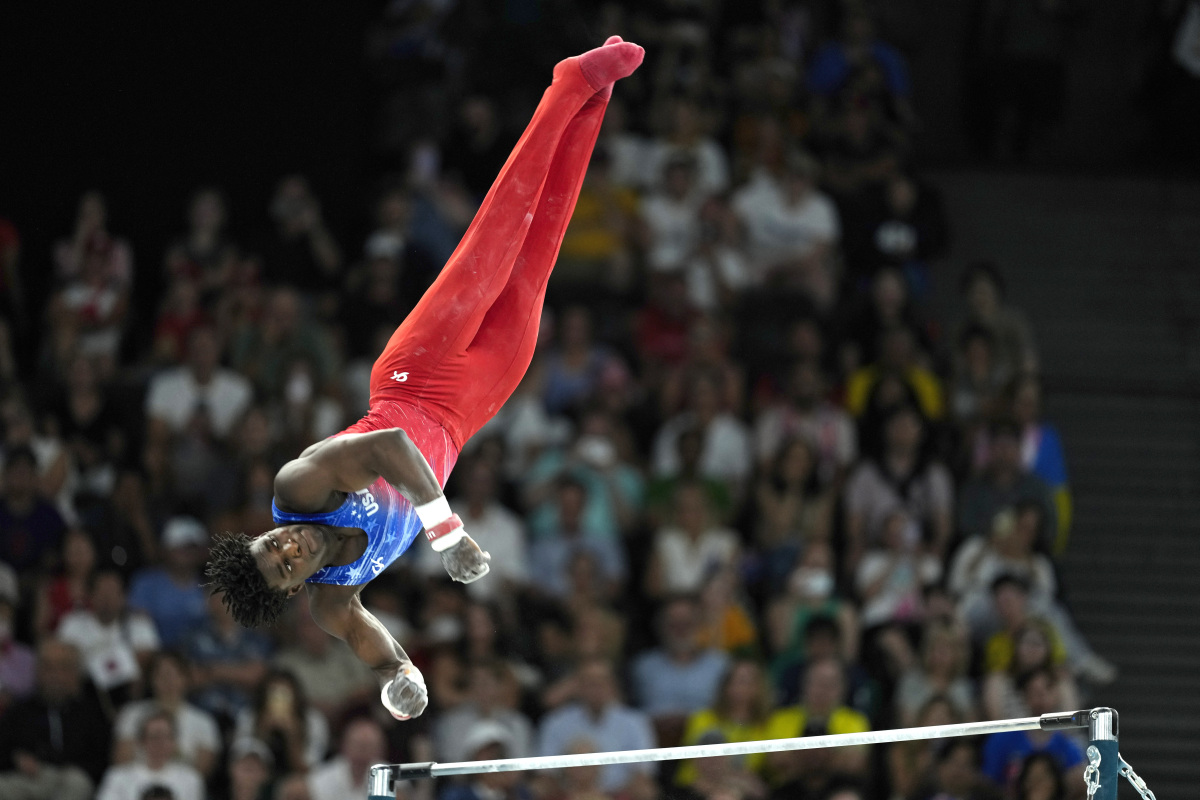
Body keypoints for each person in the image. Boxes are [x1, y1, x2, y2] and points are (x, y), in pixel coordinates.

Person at [205, 38, 645, 725]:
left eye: (273, 545)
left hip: (416, 377)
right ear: (295, 589)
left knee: (503, 228)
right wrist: (399, 675)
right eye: (286, 565)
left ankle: (568, 81)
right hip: (468, 411)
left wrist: (445, 533)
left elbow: (386, 450)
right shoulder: (331, 598)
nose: (290, 549)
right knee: (541, 248)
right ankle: (591, 105)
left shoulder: (299, 489)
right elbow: (365, 636)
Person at [536, 659, 657, 797]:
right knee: (539, 788)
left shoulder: (635, 722)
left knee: (646, 790)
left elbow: (643, 772)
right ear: (578, 687)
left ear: (612, 686)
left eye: (601, 683)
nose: (596, 689)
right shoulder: (555, 722)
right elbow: (546, 773)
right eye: (590, 684)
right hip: (569, 794)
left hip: (618, 794)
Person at [96, 711, 205, 800]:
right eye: (154, 737)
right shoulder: (117, 777)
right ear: (142, 741)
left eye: (166, 737)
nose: (160, 743)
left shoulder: (191, 779)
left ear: (174, 741)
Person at [307, 716, 387, 800]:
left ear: (380, 750)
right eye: (358, 745)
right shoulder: (323, 777)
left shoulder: (390, 778)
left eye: (369, 746)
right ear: (345, 746)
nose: (363, 752)